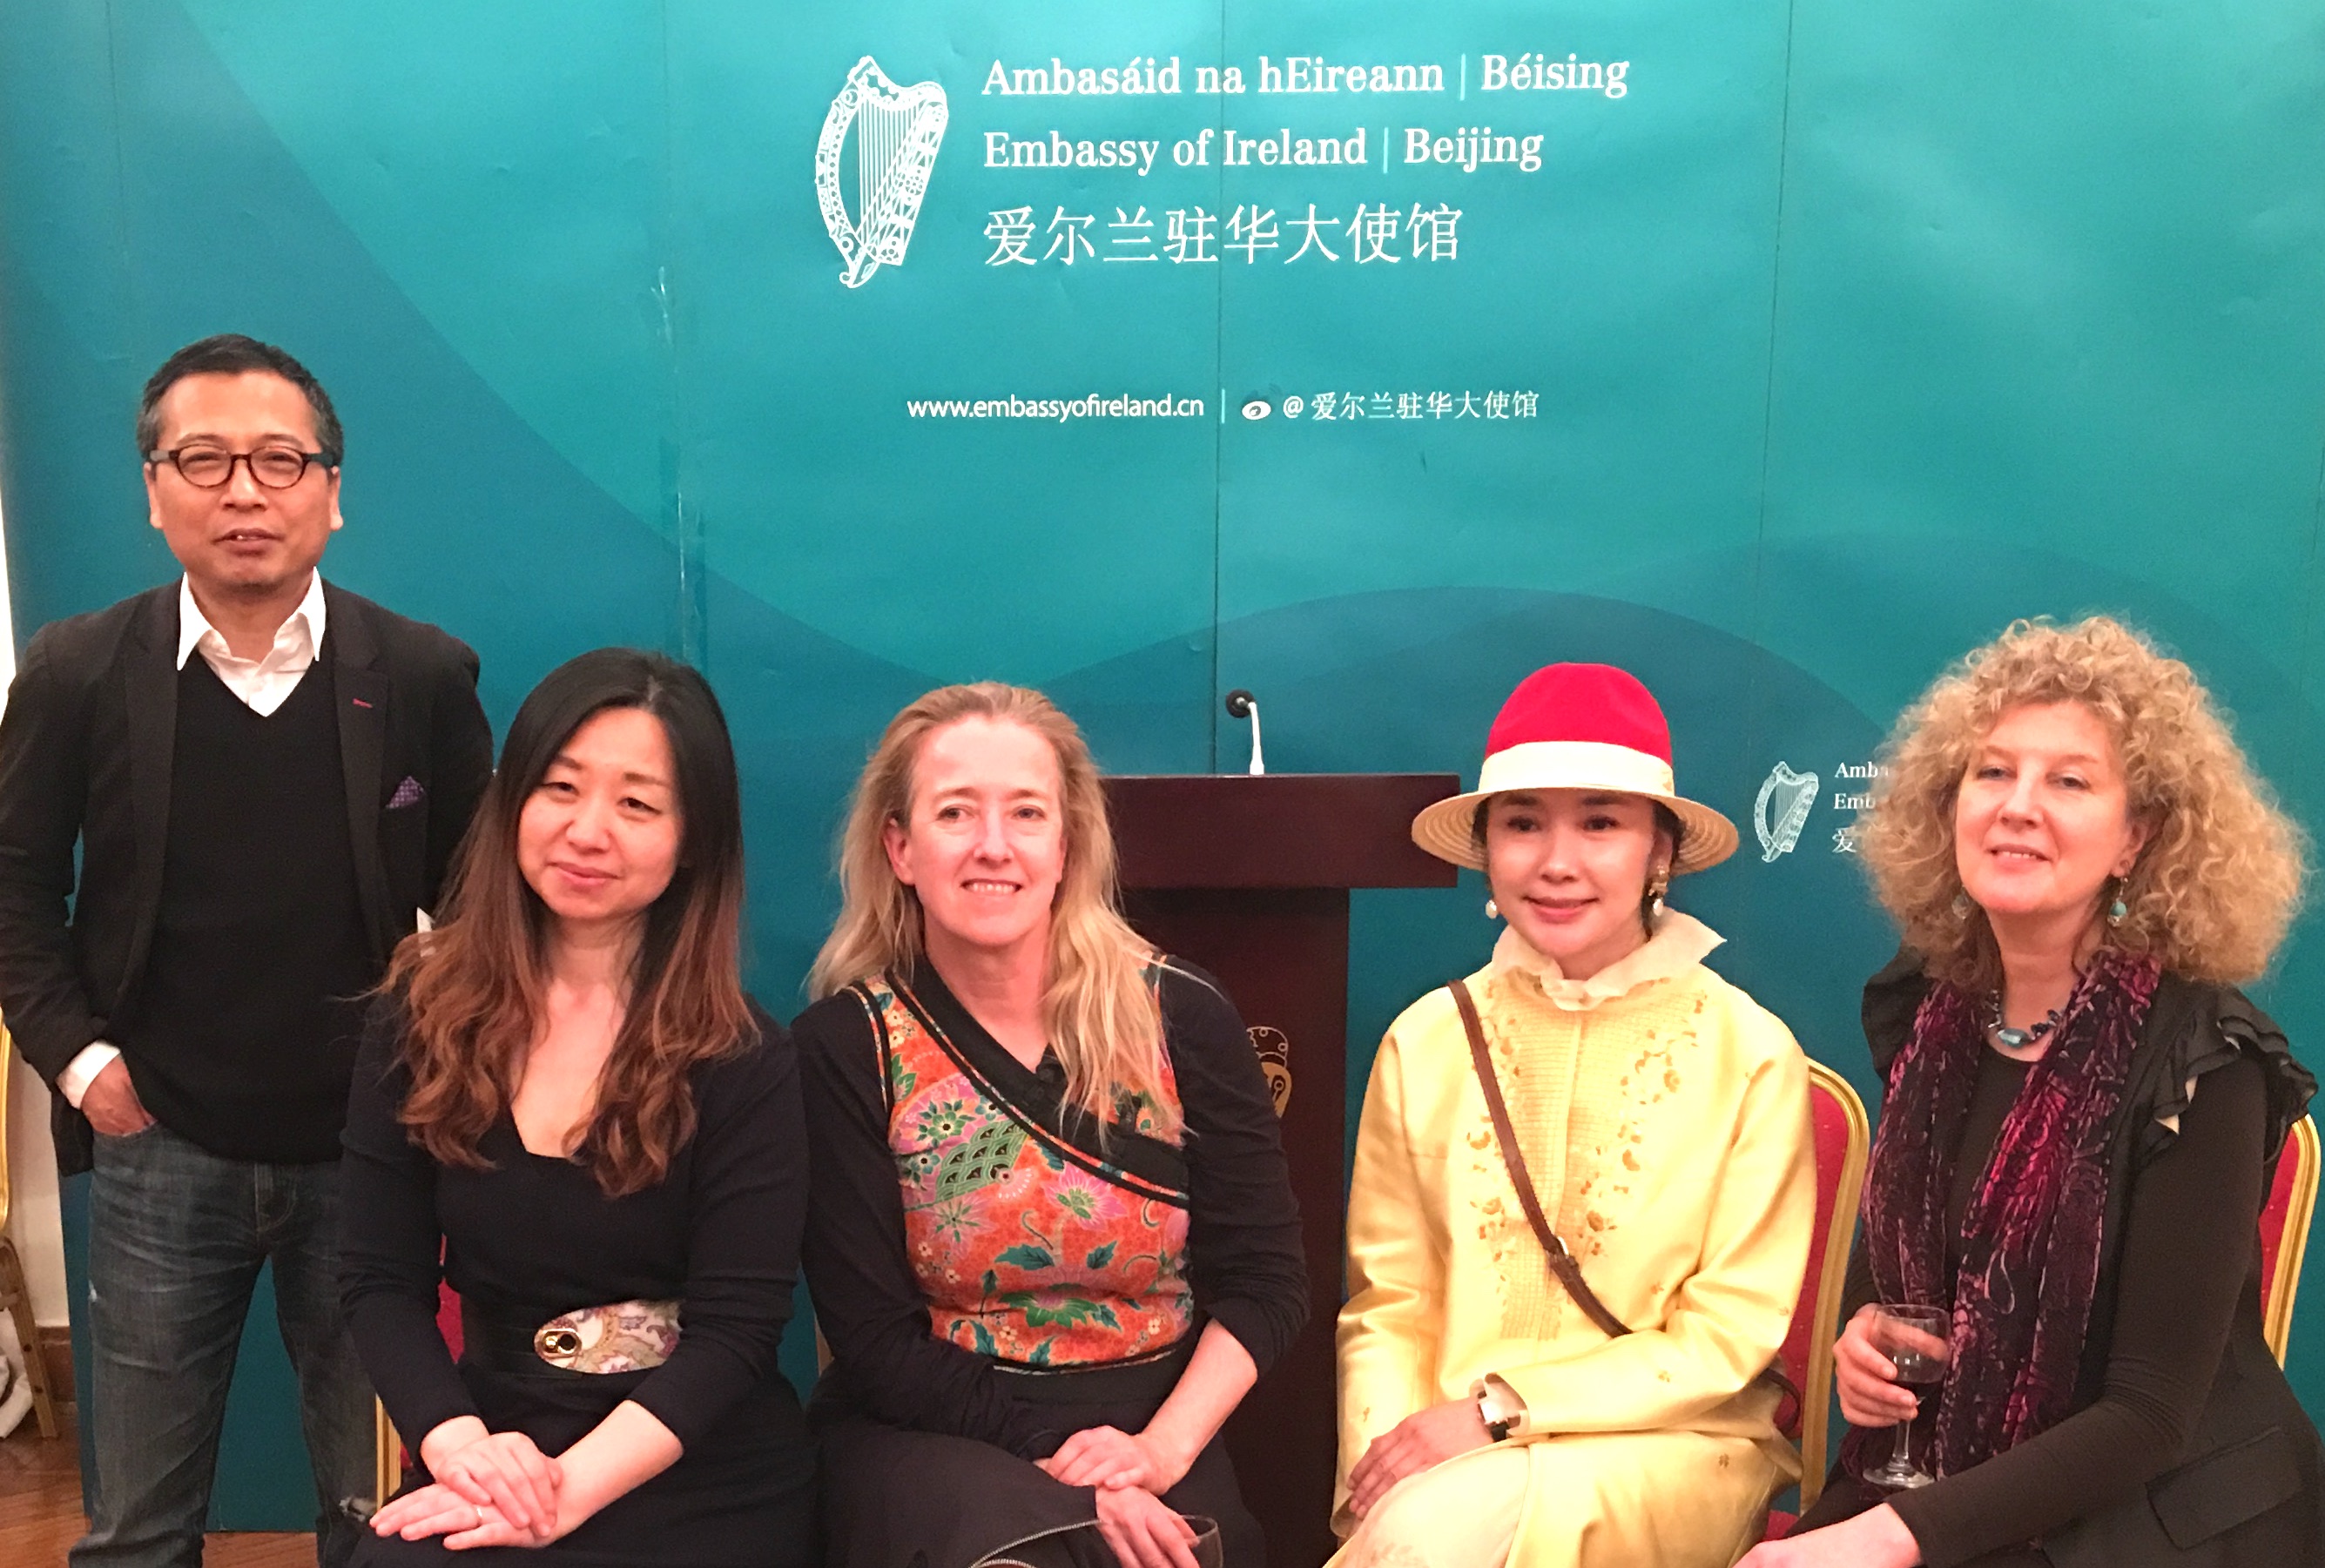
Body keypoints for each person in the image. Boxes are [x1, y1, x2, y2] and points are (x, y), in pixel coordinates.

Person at [0, 334, 494, 1567]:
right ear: (152, 488)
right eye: (203, 460)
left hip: (370, 1151)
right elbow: (12, 889)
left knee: (381, 1510)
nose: (243, 492)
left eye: (278, 460)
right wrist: (83, 1069)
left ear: (332, 489)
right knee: (140, 1523)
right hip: (160, 1146)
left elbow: (482, 905)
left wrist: (440, 1072)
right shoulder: (75, 672)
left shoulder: (421, 672)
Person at [1749, 617, 2322, 1567]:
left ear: (2136, 837)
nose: (2018, 806)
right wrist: (1861, 1336)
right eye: (1993, 772)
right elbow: (1900, 1276)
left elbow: (2148, 1416)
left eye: (2069, 781)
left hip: (2153, 1513)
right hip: (1947, 1477)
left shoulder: (2206, 1062)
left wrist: (1889, 1539)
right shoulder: (1928, 1016)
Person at [795, 682, 1307, 1568]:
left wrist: (1157, 1453)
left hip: (1157, 1421)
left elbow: (1268, 1281)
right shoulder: (845, 1046)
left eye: (1027, 813)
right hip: (933, 1434)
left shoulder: (1181, 1018)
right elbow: (875, 1341)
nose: (993, 845)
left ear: (1066, 846)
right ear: (900, 847)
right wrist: (1077, 1468)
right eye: (956, 811)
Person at [338, 648, 816, 1565]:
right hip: (495, 1441)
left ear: (692, 839)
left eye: (637, 804)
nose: (587, 831)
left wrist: (562, 1498)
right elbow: (378, 1278)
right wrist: (463, 1450)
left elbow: (737, 1332)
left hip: (690, 1459)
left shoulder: (744, 1055)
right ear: (512, 801)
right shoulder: (419, 1014)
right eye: (560, 787)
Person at [1332, 662, 1816, 1568]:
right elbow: (1390, 1302)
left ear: (1660, 850)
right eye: (1523, 823)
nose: (1557, 862)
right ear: (1486, 847)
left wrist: (1499, 1411)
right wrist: (1381, 1469)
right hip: (1447, 1455)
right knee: (1419, 1529)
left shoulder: (1748, 1050)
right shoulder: (1427, 1039)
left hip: (1671, 1445)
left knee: (1435, 1538)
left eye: (1600, 822)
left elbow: (1725, 1334)